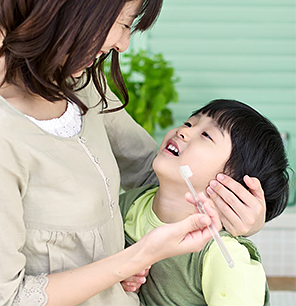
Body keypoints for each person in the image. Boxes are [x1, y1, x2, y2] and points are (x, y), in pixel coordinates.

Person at [0, 0, 266, 305]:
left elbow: (157, 173)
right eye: (124, 23)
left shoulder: (76, 80)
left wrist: (240, 215)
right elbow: (8, 298)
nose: (123, 44)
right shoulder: (6, 134)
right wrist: (133, 259)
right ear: (77, 1)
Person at [119, 99, 290, 306]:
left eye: (206, 135)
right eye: (189, 123)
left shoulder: (223, 256)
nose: (183, 131)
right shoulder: (126, 205)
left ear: (232, 187)